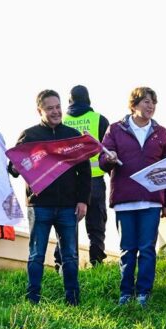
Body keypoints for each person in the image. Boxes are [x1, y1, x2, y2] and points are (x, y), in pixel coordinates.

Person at [11, 89, 90, 305]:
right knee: (36, 254)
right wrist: (15, 165)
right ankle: (32, 300)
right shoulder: (29, 135)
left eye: (58, 107)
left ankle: (73, 300)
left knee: (70, 256)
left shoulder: (73, 136)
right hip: (39, 205)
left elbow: (84, 171)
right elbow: (14, 167)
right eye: (50, 108)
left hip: (69, 205)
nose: (55, 112)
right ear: (40, 111)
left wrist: (83, 200)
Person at [99, 87, 166, 306]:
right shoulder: (115, 129)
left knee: (147, 249)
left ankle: (143, 293)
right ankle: (125, 293)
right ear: (134, 105)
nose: (151, 106)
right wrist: (109, 159)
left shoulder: (162, 133)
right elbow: (102, 161)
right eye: (146, 102)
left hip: (152, 200)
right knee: (127, 249)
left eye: (153, 102)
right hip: (124, 200)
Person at [59, 85, 110, 266]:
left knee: (66, 224)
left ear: (69, 100)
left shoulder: (61, 121)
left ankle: (62, 263)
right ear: (88, 99)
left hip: (67, 182)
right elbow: (108, 152)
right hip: (95, 181)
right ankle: (96, 262)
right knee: (96, 223)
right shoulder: (99, 120)